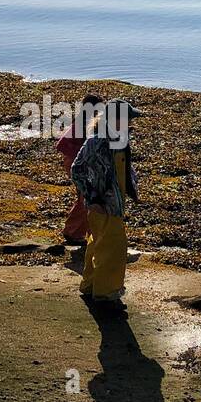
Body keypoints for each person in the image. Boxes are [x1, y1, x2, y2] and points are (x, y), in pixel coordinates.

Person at [71, 99, 143, 309]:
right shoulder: (98, 141)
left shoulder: (118, 138)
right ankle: (106, 294)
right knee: (113, 248)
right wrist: (92, 198)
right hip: (102, 203)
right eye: (128, 118)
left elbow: (123, 168)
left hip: (113, 201)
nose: (131, 122)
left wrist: (132, 187)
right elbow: (77, 170)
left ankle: (91, 285)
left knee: (98, 243)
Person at [55, 93, 105, 244]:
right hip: (76, 164)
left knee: (85, 197)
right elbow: (62, 145)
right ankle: (72, 232)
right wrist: (81, 158)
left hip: (75, 163)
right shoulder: (83, 123)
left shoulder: (83, 121)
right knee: (86, 197)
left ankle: (82, 232)